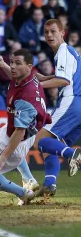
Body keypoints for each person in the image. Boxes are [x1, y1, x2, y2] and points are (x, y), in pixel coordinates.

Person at [0, 49, 51, 204]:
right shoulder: (29, 78)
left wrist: (3, 158)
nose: (13, 67)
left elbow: (20, 132)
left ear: (29, 67)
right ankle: (29, 179)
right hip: (19, 132)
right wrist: (2, 63)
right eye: (12, 62)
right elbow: (12, 74)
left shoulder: (26, 97)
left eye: (18, 63)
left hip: (17, 140)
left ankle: (23, 193)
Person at [32, 19, 81, 196]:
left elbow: (64, 80)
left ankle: (72, 155)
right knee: (50, 146)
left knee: (39, 140)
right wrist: (45, 78)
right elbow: (66, 75)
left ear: (63, 33)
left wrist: (35, 86)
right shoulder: (69, 53)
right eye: (46, 32)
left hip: (72, 102)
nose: (49, 35)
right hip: (77, 106)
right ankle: (49, 184)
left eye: (53, 31)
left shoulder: (63, 51)